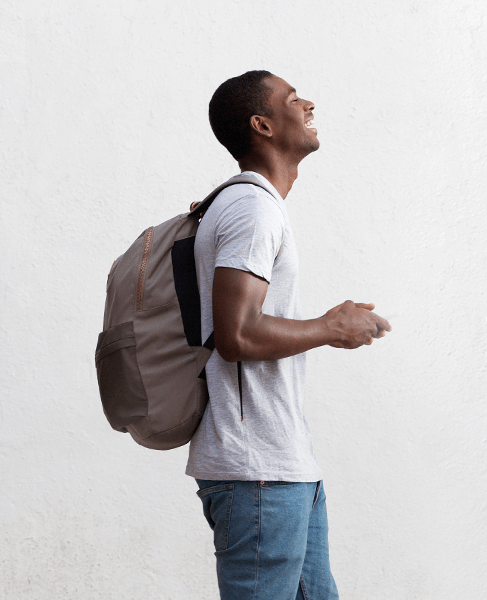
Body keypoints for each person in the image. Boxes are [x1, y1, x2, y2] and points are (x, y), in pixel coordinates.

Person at [187, 70, 391, 600]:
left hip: (284, 467)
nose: (309, 103)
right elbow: (236, 334)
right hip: (258, 473)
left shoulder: (255, 205)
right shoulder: (251, 207)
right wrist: (330, 326)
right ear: (263, 124)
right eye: (293, 99)